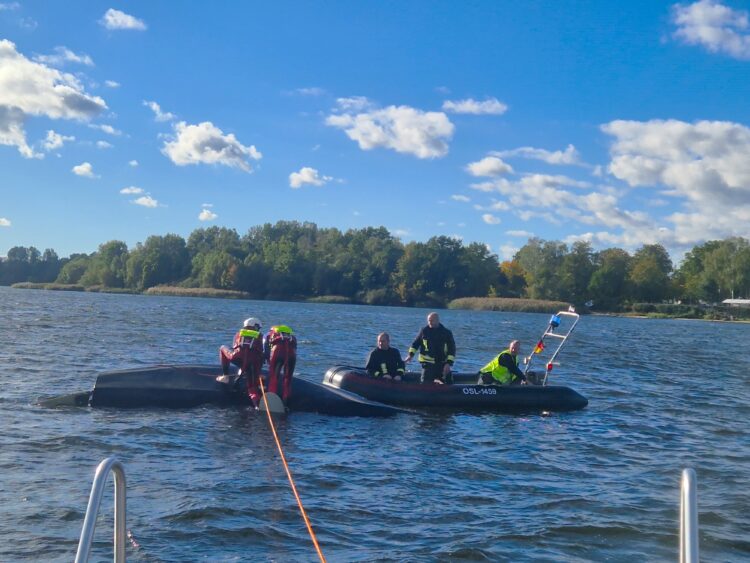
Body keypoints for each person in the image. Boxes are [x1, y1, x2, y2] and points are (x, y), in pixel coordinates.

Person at [219, 317, 264, 407]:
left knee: (222, 347)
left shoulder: (238, 334)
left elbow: (235, 347)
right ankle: (256, 405)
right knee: (252, 389)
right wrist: (257, 372)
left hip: (237, 358)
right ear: (254, 326)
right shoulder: (260, 336)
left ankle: (225, 376)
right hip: (253, 362)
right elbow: (261, 353)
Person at [405, 312, 456, 384]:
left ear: (438, 320)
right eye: (428, 320)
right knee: (425, 384)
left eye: (432, 320)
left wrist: (448, 364)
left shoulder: (446, 333)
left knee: (449, 383)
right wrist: (410, 355)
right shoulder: (424, 331)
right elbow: (415, 344)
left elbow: (452, 350)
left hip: (442, 364)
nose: (430, 322)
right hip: (427, 364)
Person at [264, 324, 297, 403]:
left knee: (274, 377)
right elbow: (295, 349)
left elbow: (265, 349)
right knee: (287, 378)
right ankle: (286, 400)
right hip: (291, 356)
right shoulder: (292, 338)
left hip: (277, 354)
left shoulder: (269, 335)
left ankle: (272, 397)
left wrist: (268, 360)